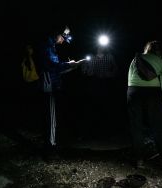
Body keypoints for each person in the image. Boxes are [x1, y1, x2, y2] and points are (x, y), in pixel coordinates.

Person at [36, 25, 84, 158]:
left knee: (50, 116)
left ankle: (50, 145)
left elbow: (56, 68)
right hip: (49, 86)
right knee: (51, 117)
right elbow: (52, 67)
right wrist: (71, 65)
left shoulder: (50, 46)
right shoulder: (47, 46)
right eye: (63, 38)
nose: (63, 41)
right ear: (57, 34)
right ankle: (50, 149)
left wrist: (72, 66)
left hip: (50, 83)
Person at [127, 40, 162, 170]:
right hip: (153, 94)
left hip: (133, 92)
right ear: (159, 51)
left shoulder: (136, 59)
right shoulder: (161, 62)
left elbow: (129, 79)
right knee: (158, 127)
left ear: (146, 49)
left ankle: (139, 160)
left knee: (136, 127)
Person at [81, 46, 119, 138]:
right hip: (93, 83)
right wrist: (87, 72)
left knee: (106, 106)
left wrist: (111, 74)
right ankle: (93, 132)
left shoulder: (109, 56)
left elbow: (115, 68)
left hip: (106, 83)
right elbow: (83, 70)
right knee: (93, 107)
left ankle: (107, 132)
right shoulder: (90, 56)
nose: (100, 47)